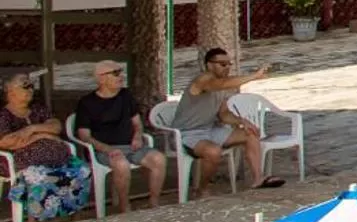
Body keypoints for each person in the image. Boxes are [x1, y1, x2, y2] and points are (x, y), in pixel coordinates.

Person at [167, 48, 278, 193]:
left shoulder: (221, 87)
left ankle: (258, 179)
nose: (227, 67)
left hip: (210, 130)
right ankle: (202, 190)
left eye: (229, 64)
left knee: (250, 133)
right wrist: (254, 76)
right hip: (187, 134)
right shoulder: (202, 80)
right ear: (209, 65)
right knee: (214, 152)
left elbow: (224, 114)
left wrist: (242, 121)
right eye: (222, 64)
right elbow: (222, 84)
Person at [72, 61, 166, 213]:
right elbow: (84, 136)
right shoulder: (87, 103)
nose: (121, 77)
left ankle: (154, 202)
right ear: (101, 79)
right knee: (121, 164)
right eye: (116, 73)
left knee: (158, 159)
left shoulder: (126, 95)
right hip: (103, 150)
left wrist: (137, 136)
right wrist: (107, 149)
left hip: (131, 146)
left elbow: (137, 123)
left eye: (121, 72)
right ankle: (124, 206)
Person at [0, 72, 92, 222]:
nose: (30, 89)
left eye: (32, 85)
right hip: (24, 161)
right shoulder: (4, 115)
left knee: (82, 170)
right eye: (25, 85)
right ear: (10, 90)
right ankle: (33, 221)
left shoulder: (38, 109)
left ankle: (74, 215)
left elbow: (56, 126)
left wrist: (32, 129)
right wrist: (41, 136)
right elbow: (6, 141)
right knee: (39, 177)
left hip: (58, 157)